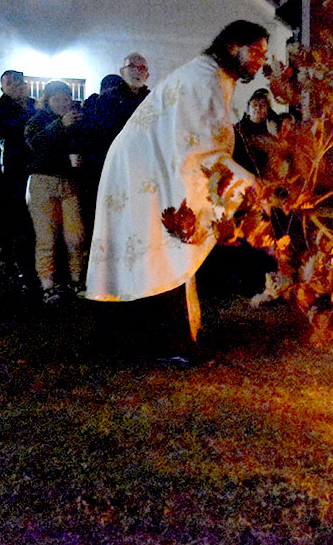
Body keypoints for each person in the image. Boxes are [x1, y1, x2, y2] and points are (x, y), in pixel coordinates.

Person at [85, 20, 270, 344]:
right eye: (254, 50)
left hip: (149, 165)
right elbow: (200, 147)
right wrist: (251, 185)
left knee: (155, 250)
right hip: (145, 169)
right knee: (165, 249)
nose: (260, 60)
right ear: (231, 46)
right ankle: (168, 341)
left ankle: (138, 337)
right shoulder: (204, 78)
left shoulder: (212, 75)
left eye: (263, 54)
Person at [23, 80, 86, 304]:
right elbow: (37, 143)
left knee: (75, 236)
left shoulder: (77, 120)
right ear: (47, 101)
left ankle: (77, 280)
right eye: (57, 99)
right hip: (42, 182)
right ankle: (47, 285)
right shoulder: (36, 120)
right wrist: (61, 124)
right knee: (46, 237)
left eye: (66, 99)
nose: (62, 103)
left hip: (69, 182)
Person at [78, 54, 151, 225]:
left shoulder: (151, 99)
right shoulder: (107, 99)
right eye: (132, 67)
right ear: (122, 71)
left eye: (142, 68)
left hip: (141, 167)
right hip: (110, 166)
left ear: (147, 74)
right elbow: (102, 134)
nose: (137, 72)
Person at [0, 70, 38, 293]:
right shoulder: (2, 108)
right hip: (14, 174)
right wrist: (6, 100)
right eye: (11, 84)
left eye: (20, 83)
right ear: (3, 88)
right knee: (19, 223)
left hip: (39, 168)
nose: (17, 87)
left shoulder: (35, 105)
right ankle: (18, 270)